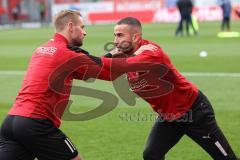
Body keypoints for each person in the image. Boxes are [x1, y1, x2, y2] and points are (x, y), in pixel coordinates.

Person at [99, 17, 238, 160]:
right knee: (152, 155)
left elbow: (129, 64)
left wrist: (108, 56)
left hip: (194, 112)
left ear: (135, 37)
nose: (115, 41)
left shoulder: (151, 52)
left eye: (120, 35)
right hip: (168, 117)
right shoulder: (123, 56)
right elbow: (101, 72)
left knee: (226, 158)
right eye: (115, 35)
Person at [0, 10, 107, 160]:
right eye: (82, 27)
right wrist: (129, 53)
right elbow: (108, 72)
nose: (84, 32)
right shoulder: (67, 54)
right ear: (70, 26)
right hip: (35, 123)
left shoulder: (41, 49)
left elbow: (88, 73)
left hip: (11, 122)